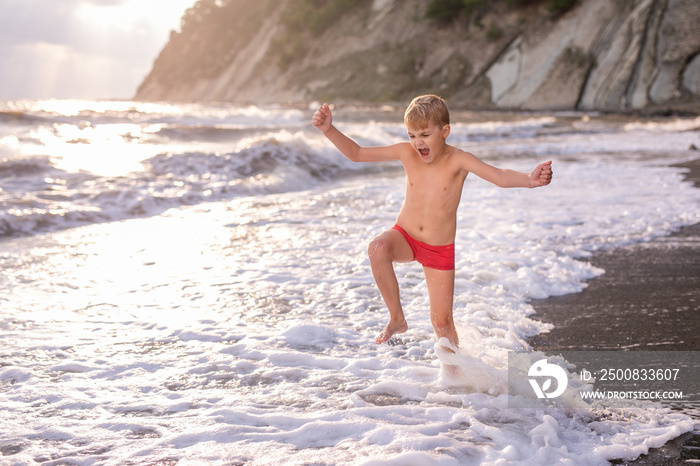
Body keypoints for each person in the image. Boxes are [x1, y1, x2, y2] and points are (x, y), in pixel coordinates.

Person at [311, 95, 552, 349]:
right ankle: (397, 318)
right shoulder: (406, 152)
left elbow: (499, 176)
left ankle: (455, 375)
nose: (417, 142)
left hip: (438, 250)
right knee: (377, 248)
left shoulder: (459, 160)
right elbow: (357, 153)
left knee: (442, 324)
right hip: (405, 236)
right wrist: (328, 130)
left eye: (424, 134)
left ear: (444, 131)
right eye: (412, 135)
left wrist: (529, 179)